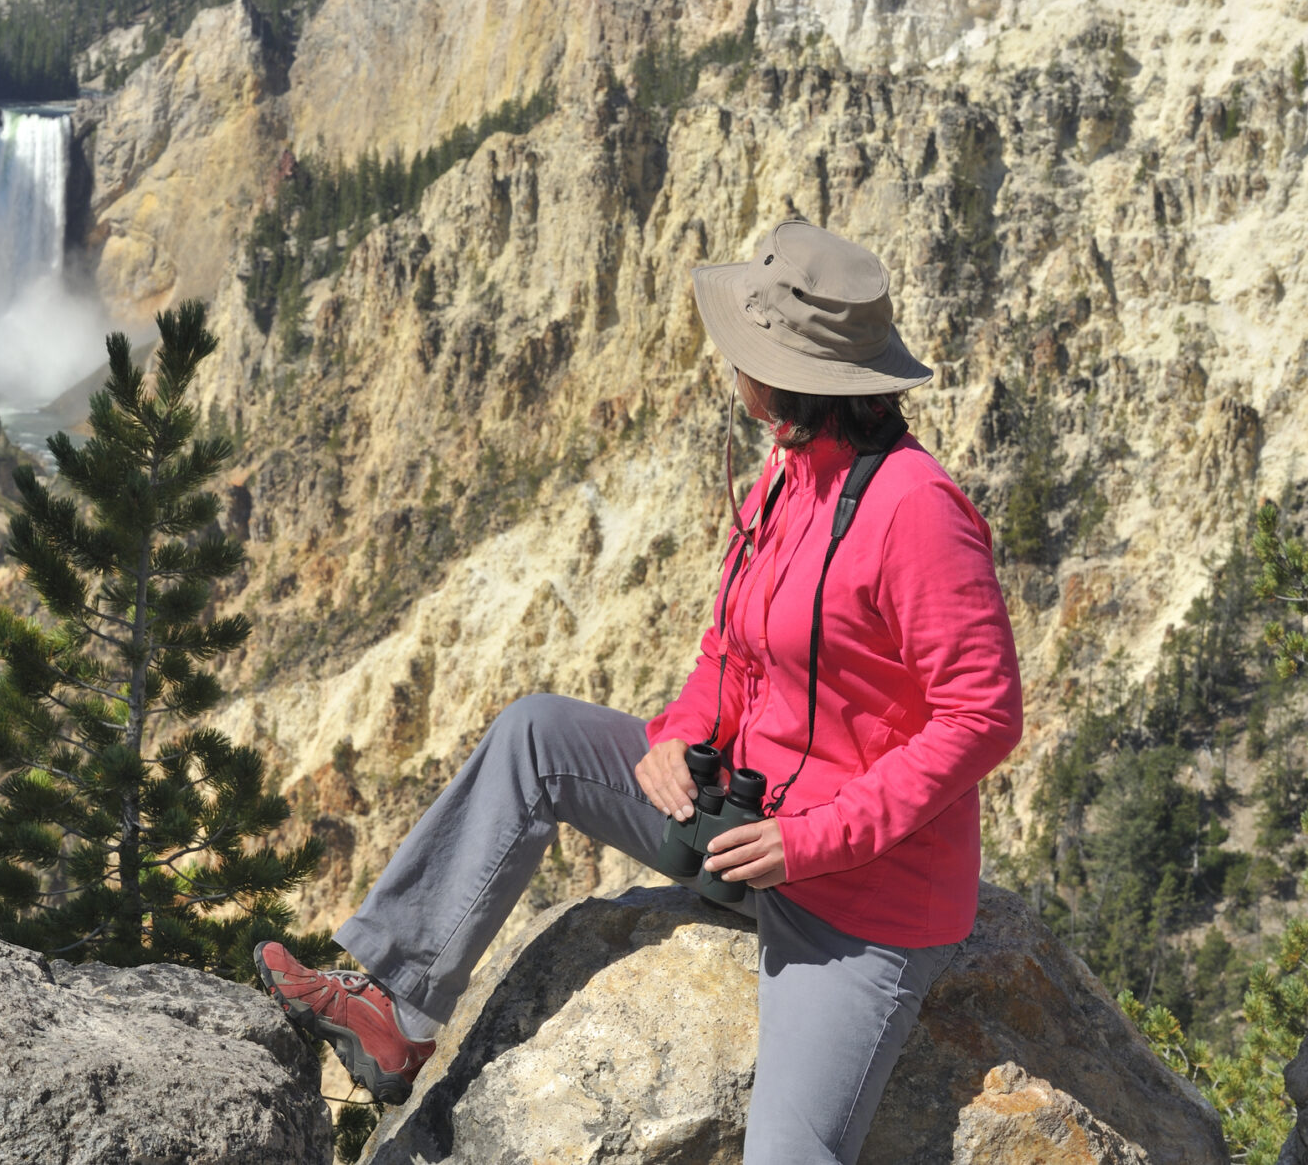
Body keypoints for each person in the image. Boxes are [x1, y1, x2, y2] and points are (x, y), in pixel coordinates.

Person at [254, 219, 1024, 1163]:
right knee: (536, 736)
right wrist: (679, 734)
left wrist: (812, 841)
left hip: (858, 896)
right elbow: (728, 651)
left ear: (790, 382)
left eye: (745, 355)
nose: (730, 370)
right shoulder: (785, 480)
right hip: (740, 828)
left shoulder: (917, 511)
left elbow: (981, 718)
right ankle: (397, 1012)